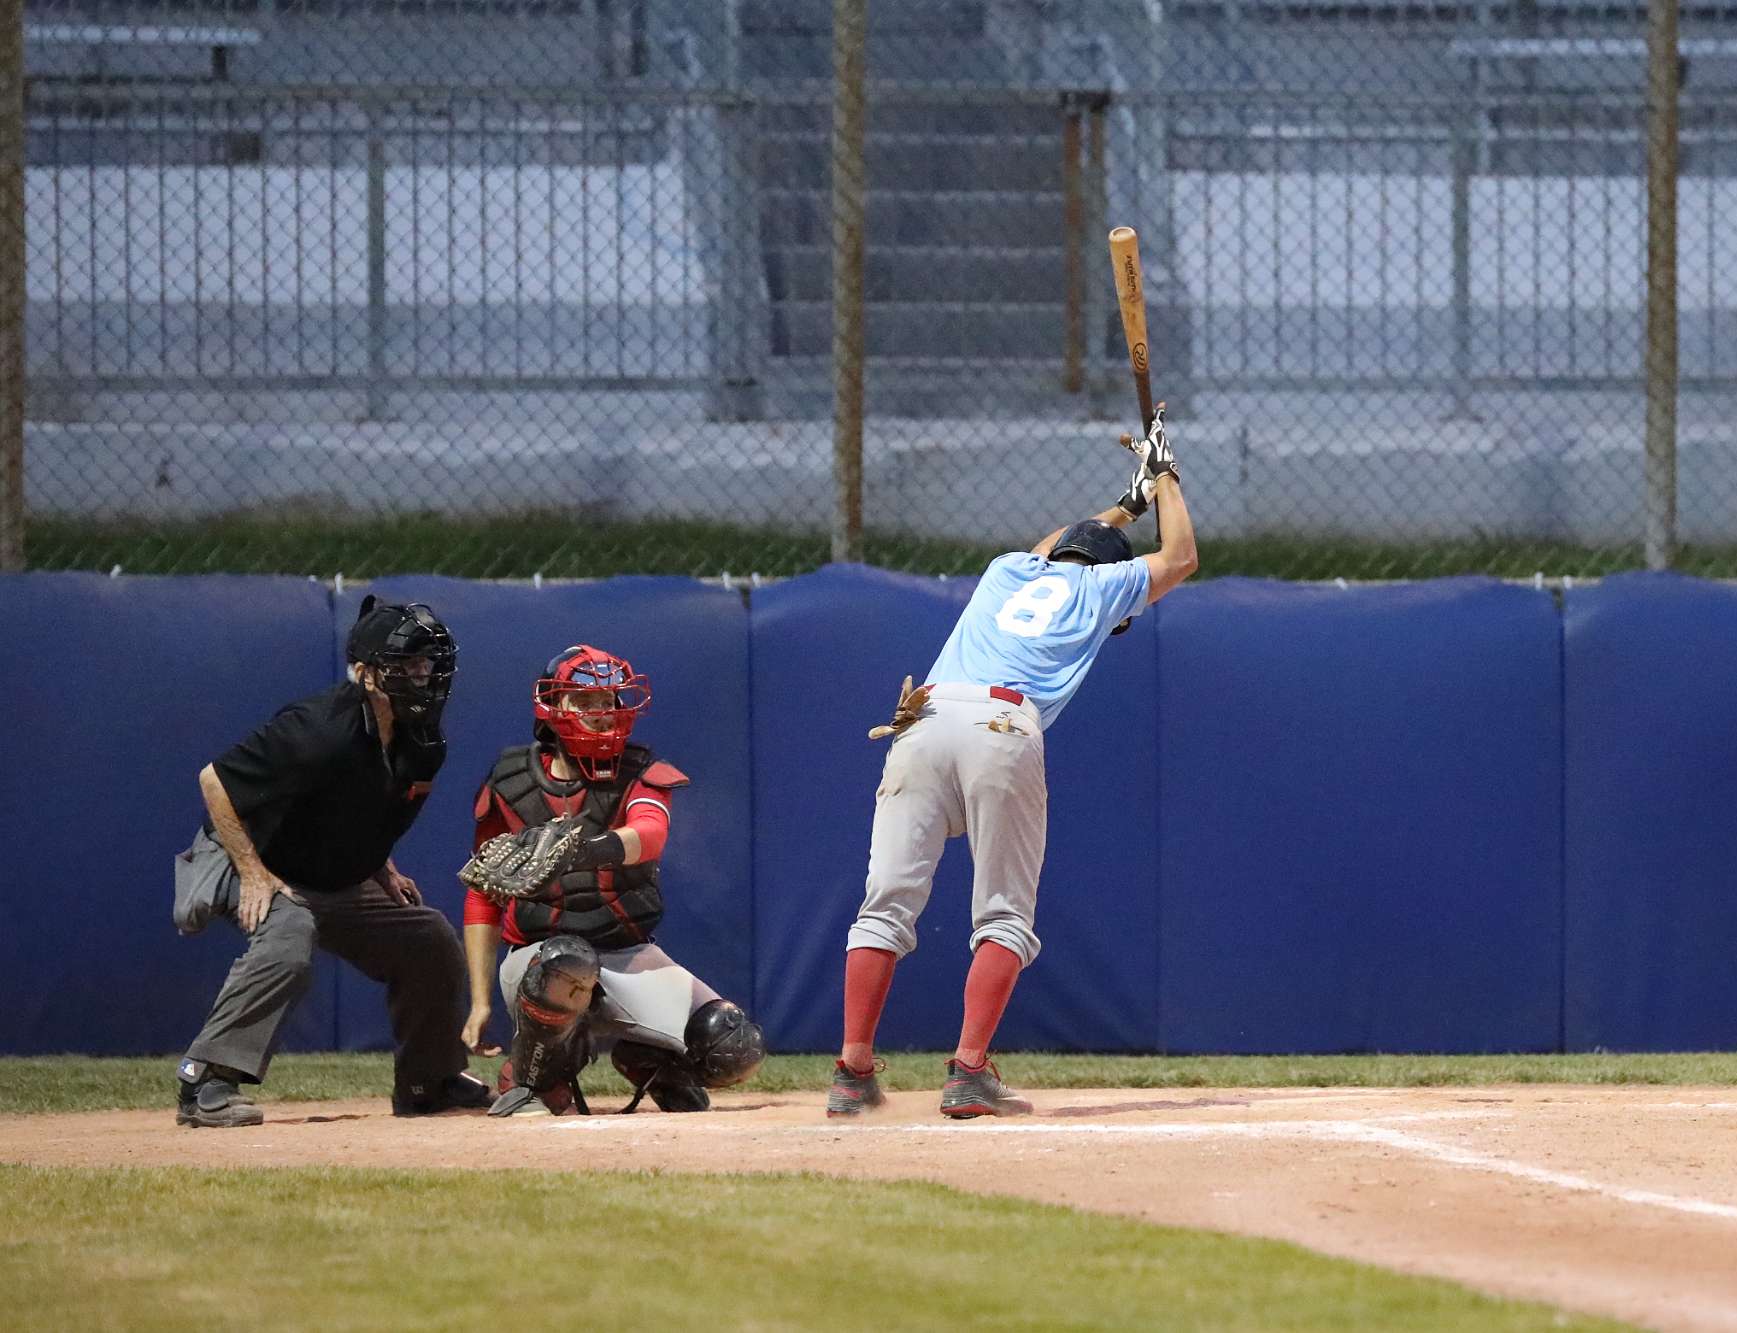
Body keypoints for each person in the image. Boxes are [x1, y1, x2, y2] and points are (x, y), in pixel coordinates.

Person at [827, 410, 1198, 1119]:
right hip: (1001, 725)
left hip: (923, 718)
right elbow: (1180, 557)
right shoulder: (1101, 590)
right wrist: (1169, 476)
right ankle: (969, 1070)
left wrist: (1130, 501)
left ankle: (852, 1071)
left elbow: (1057, 544)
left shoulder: (1009, 570)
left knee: (886, 903)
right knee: (1003, 912)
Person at [171, 597, 492, 1127]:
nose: (422, 676)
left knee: (429, 939)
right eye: (406, 665)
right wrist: (253, 873)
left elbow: (369, 809)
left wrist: (381, 865)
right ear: (366, 675)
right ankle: (205, 1082)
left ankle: (428, 1081)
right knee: (290, 935)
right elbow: (215, 781)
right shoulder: (319, 730)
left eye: (426, 664)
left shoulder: (423, 741)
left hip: (329, 872)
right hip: (248, 856)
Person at [464, 645, 765, 1117]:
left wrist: (583, 850)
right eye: (585, 701)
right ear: (552, 708)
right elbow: (483, 895)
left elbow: (650, 835)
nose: (601, 713)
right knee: (567, 960)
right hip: (539, 959)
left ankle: (648, 1059)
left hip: (625, 952)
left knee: (734, 1045)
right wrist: (480, 1002)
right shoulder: (510, 781)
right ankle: (532, 1080)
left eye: (608, 701)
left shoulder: (639, 770)